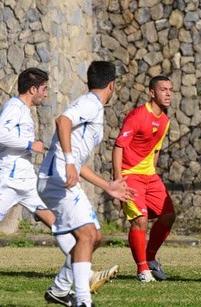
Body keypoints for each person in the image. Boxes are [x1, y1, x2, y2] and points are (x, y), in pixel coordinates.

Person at [0, 68, 117, 306]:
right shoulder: (14, 107)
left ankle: (66, 285)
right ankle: (80, 290)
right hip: (8, 181)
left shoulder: (24, 110)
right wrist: (30, 144)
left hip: (27, 182)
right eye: (43, 88)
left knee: (63, 226)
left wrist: (106, 185)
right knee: (84, 233)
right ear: (33, 89)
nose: (46, 93)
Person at [38, 61, 134, 307]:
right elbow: (62, 121)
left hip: (61, 177)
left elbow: (78, 161)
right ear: (112, 85)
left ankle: (60, 289)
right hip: (57, 178)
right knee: (88, 234)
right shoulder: (90, 103)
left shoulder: (93, 106)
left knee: (95, 237)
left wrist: (107, 185)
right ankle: (83, 301)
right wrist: (69, 162)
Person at [112, 75, 175, 283]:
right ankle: (142, 270)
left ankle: (150, 257)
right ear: (151, 92)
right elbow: (118, 147)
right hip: (130, 175)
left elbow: (155, 150)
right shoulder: (137, 116)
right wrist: (118, 181)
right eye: (163, 89)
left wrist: (152, 174)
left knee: (168, 216)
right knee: (139, 220)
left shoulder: (165, 121)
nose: (168, 93)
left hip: (149, 176)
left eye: (170, 90)